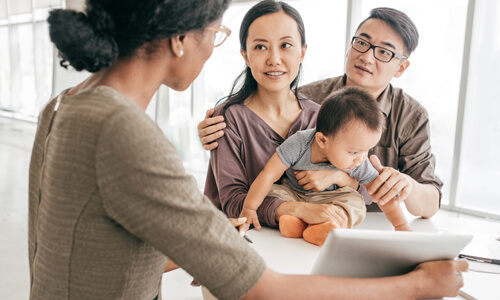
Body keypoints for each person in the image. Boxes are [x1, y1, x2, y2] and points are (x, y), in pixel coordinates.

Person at [28, 0, 467, 299]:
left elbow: (78, 249)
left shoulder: (68, 105)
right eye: (216, 34)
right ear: (181, 38)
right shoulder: (126, 132)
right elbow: (262, 289)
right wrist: (416, 286)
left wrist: (203, 246)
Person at [198, 6, 442, 224]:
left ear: (401, 67)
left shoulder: (410, 116)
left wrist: (356, 181)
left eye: (384, 52)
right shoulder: (313, 101)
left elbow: (422, 200)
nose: (367, 57)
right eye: (362, 43)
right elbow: (233, 197)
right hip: (263, 230)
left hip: (348, 227)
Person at [240, 87, 410, 246]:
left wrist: (401, 225)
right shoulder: (299, 144)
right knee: (272, 191)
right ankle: (295, 223)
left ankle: (326, 227)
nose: (361, 159)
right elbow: (268, 174)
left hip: (332, 198)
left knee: (356, 203)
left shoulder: (358, 161)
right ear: (322, 140)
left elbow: (382, 195)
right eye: (353, 152)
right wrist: (249, 208)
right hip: (294, 194)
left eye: (367, 150)